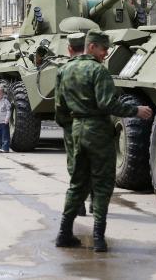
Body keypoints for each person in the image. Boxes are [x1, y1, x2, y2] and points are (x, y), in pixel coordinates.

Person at [55, 30, 153, 252]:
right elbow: (107, 104)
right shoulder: (98, 71)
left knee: (76, 185)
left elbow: (59, 109)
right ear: (91, 47)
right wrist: (136, 110)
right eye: (103, 48)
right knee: (102, 184)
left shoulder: (64, 70)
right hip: (98, 131)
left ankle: (64, 233)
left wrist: (71, 132)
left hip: (76, 131)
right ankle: (98, 238)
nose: (106, 53)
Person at [55, 32, 91, 217]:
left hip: (72, 125)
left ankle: (79, 205)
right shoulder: (97, 68)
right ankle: (95, 202)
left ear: (69, 48)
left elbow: (59, 103)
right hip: (95, 126)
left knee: (75, 164)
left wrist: (64, 124)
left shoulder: (63, 70)